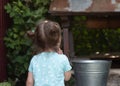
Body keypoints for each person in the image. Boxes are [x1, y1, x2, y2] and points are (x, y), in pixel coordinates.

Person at [26, 20, 72, 86]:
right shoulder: (63, 59)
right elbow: (67, 77)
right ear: (58, 40)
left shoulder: (35, 59)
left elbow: (29, 82)